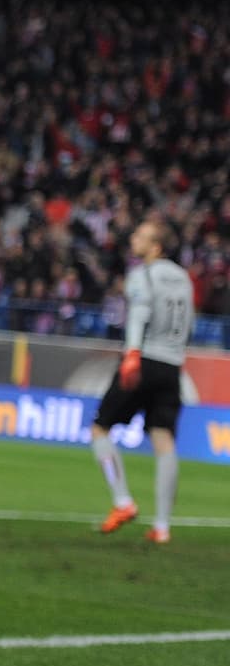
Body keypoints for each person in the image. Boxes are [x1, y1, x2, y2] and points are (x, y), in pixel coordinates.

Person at [91, 219, 193, 544]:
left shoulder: (141, 275)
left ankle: (123, 501)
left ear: (156, 246)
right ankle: (162, 527)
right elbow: (189, 323)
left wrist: (132, 354)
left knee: (100, 428)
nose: (133, 238)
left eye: (141, 236)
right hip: (172, 365)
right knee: (164, 441)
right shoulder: (185, 279)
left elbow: (139, 313)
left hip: (143, 358)